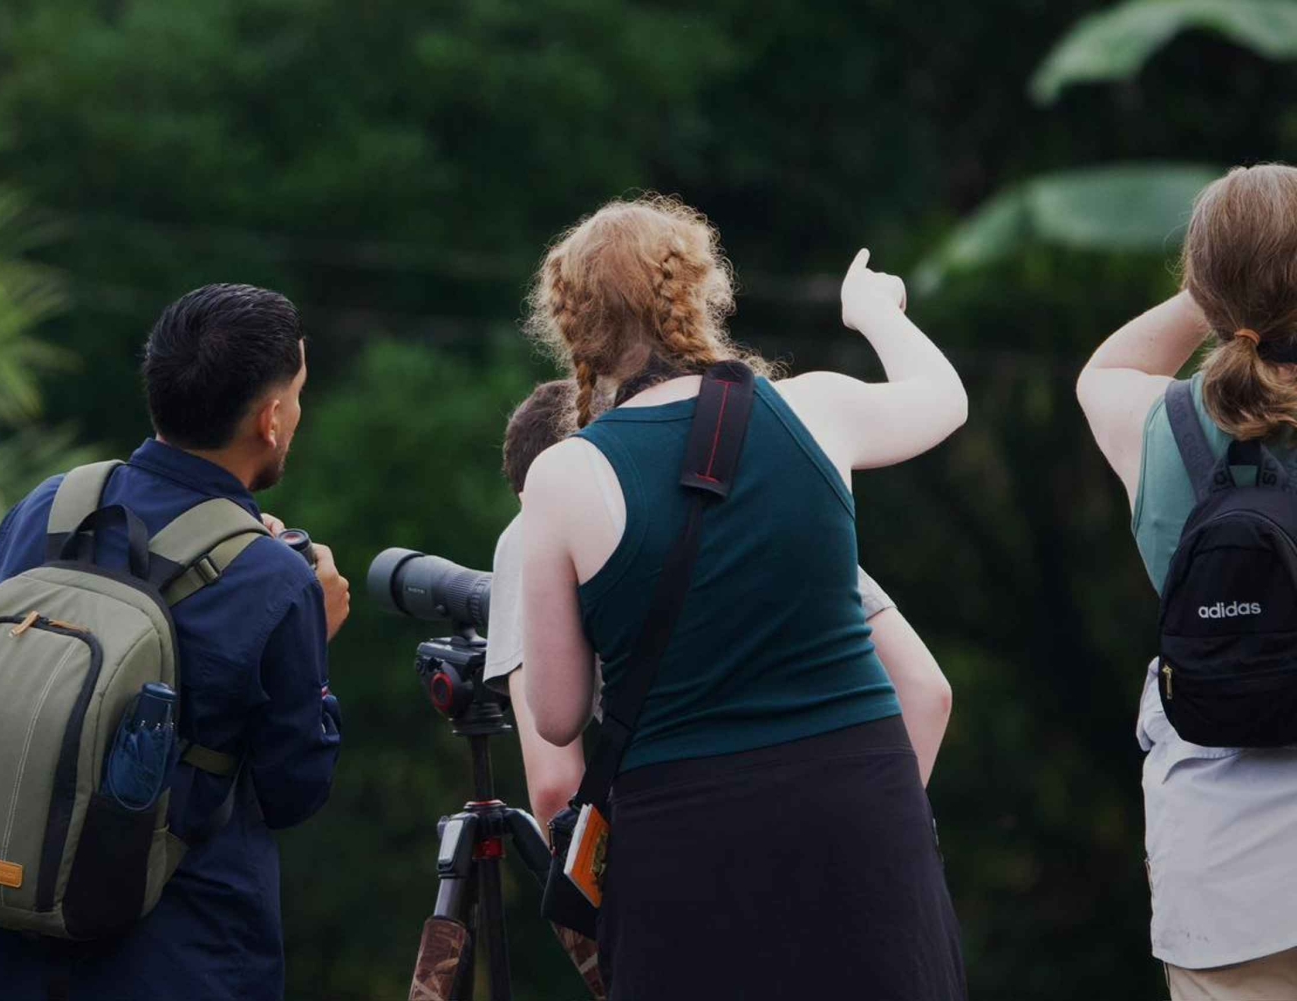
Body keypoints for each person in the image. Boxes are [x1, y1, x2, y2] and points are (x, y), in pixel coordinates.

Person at [517, 194, 969, 999]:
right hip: (862, 814)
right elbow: (945, 398)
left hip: (687, 838)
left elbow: (556, 715)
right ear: (700, 292)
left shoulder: (564, 474)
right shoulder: (815, 407)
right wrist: (873, 313)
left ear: (572, 327)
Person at [0, 284, 350, 1001]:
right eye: (298, 395)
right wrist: (317, 634)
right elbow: (292, 789)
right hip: (171, 959)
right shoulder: (276, 580)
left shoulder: (47, 508)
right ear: (271, 419)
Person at [487, 383, 953, 839]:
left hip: (690, 844)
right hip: (852, 827)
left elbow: (555, 788)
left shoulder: (538, 520)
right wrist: (884, 841)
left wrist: (588, 913)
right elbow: (926, 690)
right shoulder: (772, 489)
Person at [1078, 164, 1297, 1000]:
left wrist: (1215, 286)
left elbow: (1105, 366)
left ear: (1205, 288)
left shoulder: (1157, 424)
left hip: (1223, 878)